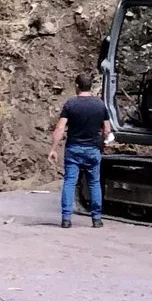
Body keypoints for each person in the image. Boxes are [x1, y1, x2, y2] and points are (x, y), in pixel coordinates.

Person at [48, 76, 114, 227]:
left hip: (74, 149)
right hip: (92, 149)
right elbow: (107, 129)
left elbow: (60, 128)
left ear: (77, 86)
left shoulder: (71, 104)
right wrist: (103, 142)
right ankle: (96, 219)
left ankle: (66, 219)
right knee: (94, 183)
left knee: (70, 182)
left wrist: (53, 148)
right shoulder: (100, 104)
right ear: (90, 87)